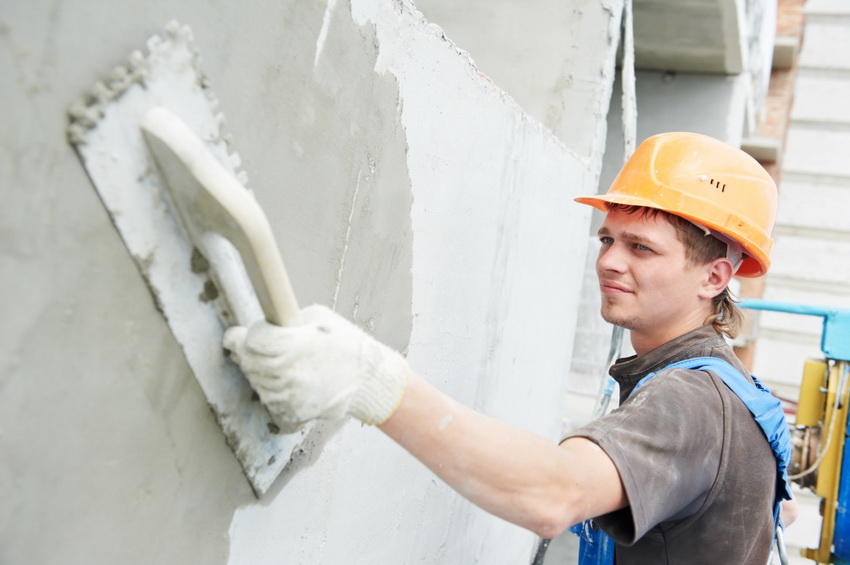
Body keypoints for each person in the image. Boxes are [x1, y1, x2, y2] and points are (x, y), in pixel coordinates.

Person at [223, 132, 794, 563]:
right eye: (607, 239)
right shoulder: (722, 388)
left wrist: (372, 380)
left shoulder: (691, 402)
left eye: (641, 248)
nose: (609, 261)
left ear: (715, 278)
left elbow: (555, 494)